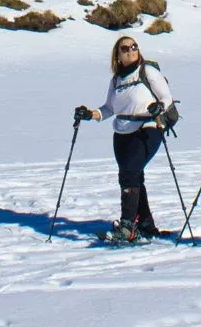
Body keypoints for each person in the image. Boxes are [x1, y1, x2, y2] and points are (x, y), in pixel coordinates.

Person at [74, 35, 175, 243]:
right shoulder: (117, 80)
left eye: (134, 46)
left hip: (149, 126)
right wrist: (89, 114)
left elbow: (166, 97)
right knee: (132, 175)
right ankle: (145, 225)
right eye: (125, 48)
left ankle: (128, 226)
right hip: (121, 132)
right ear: (117, 55)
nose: (131, 50)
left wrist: (159, 108)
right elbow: (109, 108)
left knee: (130, 172)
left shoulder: (147, 71)